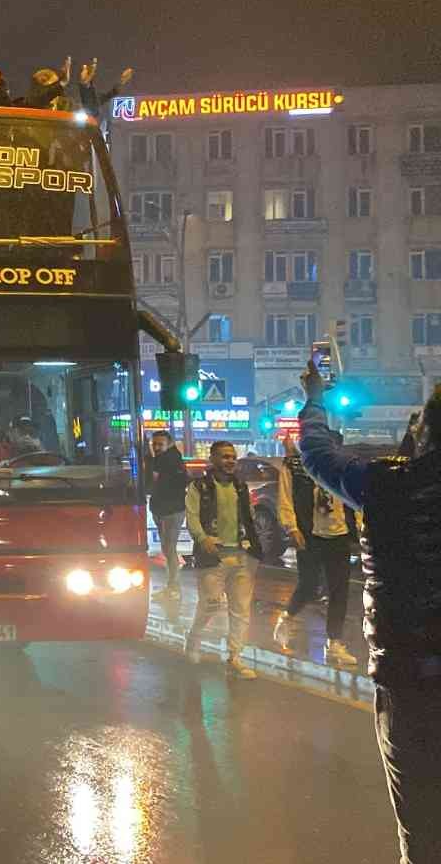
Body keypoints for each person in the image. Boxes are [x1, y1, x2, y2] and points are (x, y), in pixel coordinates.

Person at [295, 367, 441, 863]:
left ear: (422, 434)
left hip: (410, 681)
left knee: (420, 833)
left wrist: (315, 400)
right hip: (409, 679)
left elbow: (317, 454)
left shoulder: (386, 485)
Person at [272, 434, 361, 668]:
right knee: (309, 585)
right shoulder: (294, 466)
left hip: (338, 534)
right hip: (309, 533)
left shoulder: (342, 467)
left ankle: (334, 644)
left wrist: (361, 526)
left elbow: (355, 497)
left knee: (339, 590)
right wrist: (291, 528)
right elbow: (285, 498)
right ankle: (287, 617)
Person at [181, 440, 260, 680]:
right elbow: (192, 517)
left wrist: (252, 545)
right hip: (212, 556)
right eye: (225, 457)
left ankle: (235, 657)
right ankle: (193, 640)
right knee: (211, 603)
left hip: (240, 556)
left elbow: (250, 517)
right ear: (213, 460)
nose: (230, 461)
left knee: (241, 609)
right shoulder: (199, 487)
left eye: (233, 457)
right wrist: (202, 538)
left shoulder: (240, 487)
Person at [146, 431, 189, 599]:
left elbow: (155, 483)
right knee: (167, 548)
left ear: (169, 444)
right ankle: (172, 586)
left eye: (160, 444)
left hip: (172, 510)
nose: (156, 447)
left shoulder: (168, 460)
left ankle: (173, 587)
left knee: (169, 548)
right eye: (154, 444)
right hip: (163, 509)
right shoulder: (165, 459)